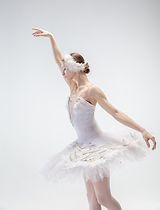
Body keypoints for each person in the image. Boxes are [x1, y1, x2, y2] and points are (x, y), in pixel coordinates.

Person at [32, 28, 156, 210]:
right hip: (82, 149)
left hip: (97, 148)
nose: (62, 71)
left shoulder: (92, 90)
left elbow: (115, 113)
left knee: (103, 198)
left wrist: (143, 130)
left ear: (74, 68)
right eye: (63, 68)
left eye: (66, 68)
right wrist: (51, 37)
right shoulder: (72, 86)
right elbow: (59, 60)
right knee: (91, 199)